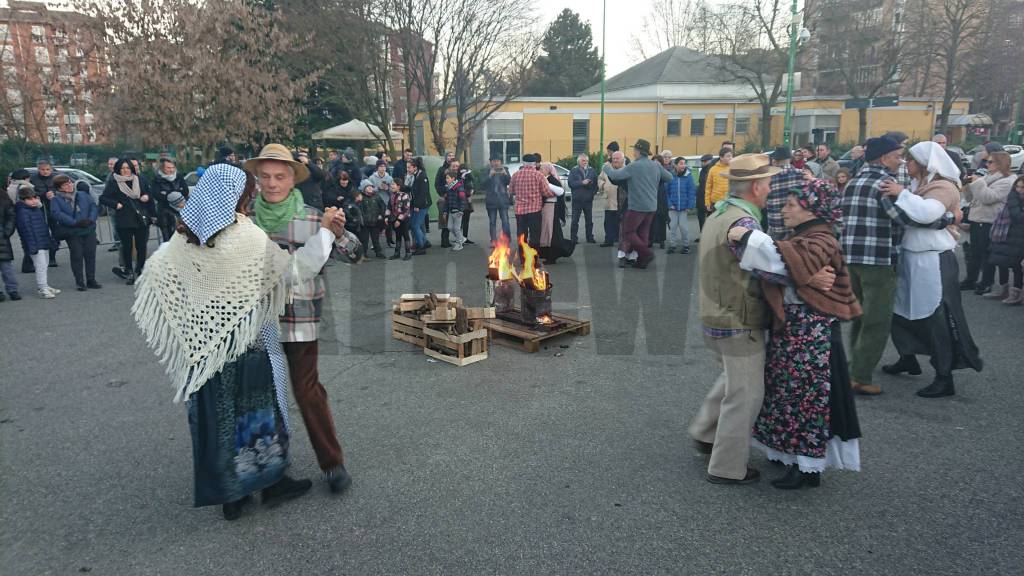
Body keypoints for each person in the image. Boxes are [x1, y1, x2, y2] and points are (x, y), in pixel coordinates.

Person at [132, 164, 344, 521]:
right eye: (250, 191)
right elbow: (292, 272)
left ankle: (231, 494)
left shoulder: (181, 239)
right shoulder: (244, 235)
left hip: (206, 348)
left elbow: (156, 272)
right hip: (249, 345)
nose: (253, 197)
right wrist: (323, 234)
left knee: (220, 416)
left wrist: (198, 321)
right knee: (258, 414)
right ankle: (270, 482)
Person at [733, 179, 862, 489]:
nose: (784, 209)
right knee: (785, 393)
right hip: (794, 328)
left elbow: (783, 257)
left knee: (807, 397)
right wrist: (800, 275)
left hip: (811, 332)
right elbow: (784, 263)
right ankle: (786, 453)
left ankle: (808, 467)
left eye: (792, 205)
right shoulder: (805, 236)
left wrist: (749, 235)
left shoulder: (821, 238)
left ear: (812, 209)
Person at [243, 144, 354, 494]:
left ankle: (332, 462)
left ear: (293, 179)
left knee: (307, 391)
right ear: (257, 180)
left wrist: (339, 230)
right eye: (265, 176)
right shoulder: (244, 221)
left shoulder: (311, 217)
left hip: (300, 319)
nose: (272, 183)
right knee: (262, 395)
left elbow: (354, 253)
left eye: (280, 176)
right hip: (258, 323)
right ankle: (273, 468)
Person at [690, 154, 781, 485]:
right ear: (756, 187)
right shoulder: (744, 223)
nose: (770, 189)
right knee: (746, 394)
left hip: (713, 315)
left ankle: (706, 431)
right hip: (739, 319)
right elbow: (774, 266)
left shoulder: (719, 213)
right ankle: (727, 467)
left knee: (733, 380)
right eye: (768, 183)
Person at [880, 141, 982, 397]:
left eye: (911, 160)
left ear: (926, 164)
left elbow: (926, 214)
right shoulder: (920, 185)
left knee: (937, 317)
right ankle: (908, 357)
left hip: (933, 259)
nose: (907, 163)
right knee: (902, 311)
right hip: (913, 256)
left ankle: (944, 376)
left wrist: (902, 193)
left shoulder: (943, 187)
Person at [838, 136, 906, 396]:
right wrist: (946, 218)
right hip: (877, 259)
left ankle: (853, 366)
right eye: (897, 156)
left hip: (851, 258)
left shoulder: (853, 182)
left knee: (859, 316)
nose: (900, 161)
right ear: (884, 158)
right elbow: (903, 218)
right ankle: (860, 376)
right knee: (877, 320)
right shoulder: (885, 184)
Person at [601, 139, 672, 269]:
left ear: (638, 152)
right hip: (651, 206)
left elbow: (616, 176)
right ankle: (642, 261)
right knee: (642, 233)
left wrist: (606, 167)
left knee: (628, 232)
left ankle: (646, 253)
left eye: (634, 149)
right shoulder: (655, 165)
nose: (633, 152)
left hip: (637, 206)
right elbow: (669, 177)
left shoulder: (634, 166)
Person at [962, 151, 1015, 293]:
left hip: (990, 221)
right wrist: (967, 185)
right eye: (987, 161)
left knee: (987, 254)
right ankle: (971, 280)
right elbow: (970, 198)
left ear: (1000, 164)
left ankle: (986, 282)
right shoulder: (987, 177)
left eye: (991, 162)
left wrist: (977, 182)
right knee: (974, 253)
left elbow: (988, 197)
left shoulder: (1007, 181)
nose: (987, 164)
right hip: (976, 219)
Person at [101, 158, 154, 285]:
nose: (125, 170)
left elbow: (150, 193)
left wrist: (147, 196)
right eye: (122, 168)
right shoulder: (114, 182)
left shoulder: (140, 180)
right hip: (124, 219)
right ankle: (129, 271)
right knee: (127, 247)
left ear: (132, 169)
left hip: (140, 217)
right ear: (118, 169)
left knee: (142, 246)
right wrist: (116, 204)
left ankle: (140, 269)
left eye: (127, 168)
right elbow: (103, 198)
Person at [50, 175, 100, 291]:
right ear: (59, 188)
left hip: (88, 229)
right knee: (77, 256)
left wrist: (91, 219)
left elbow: (93, 206)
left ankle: (91, 279)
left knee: (90, 255)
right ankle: (80, 281)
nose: (70, 185)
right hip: (73, 232)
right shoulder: (56, 200)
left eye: (70, 183)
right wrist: (74, 222)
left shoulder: (82, 194)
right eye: (65, 184)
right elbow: (57, 214)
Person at [985, 176, 1024, 305]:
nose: (1019, 190)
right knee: (1003, 261)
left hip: (1017, 235)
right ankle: (1006, 289)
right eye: (1017, 187)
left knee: (1017, 265)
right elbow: (1017, 216)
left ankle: (1016, 292)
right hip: (1007, 234)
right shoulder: (1013, 197)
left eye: (1022, 187)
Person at [14, 185, 57, 298]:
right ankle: (42, 288)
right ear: (23, 200)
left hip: (42, 241)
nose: (33, 201)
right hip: (35, 244)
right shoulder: (23, 212)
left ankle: (45, 285)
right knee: (41, 266)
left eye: (34, 198)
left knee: (45, 264)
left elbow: (43, 226)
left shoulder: (35, 209)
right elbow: (26, 232)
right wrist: (32, 247)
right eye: (29, 199)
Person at [765, 145, 808, 240]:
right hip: (796, 226)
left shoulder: (769, 178)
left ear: (776, 160)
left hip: (775, 225)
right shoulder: (802, 174)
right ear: (790, 158)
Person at [510, 153, 550, 252]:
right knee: (535, 236)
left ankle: (523, 259)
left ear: (523, 163)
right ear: (534, 164)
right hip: (535, 210)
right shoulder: (539, 175)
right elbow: (546, 192)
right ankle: (533, 261)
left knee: (522, 235)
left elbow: (511, 191)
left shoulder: (516, 175)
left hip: (519, 211)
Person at [538, 162, 572, 265]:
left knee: (551, 232)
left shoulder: (551, 180)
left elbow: (560, 192)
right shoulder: (545, 179)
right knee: (548, 232)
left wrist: (547, 185)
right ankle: (548, 255)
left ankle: (552, 256)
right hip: (546, 208)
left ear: (548, 170)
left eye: (542, 169)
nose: (540, 170)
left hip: (551, 208)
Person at [151, 158, 190, 242]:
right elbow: (156, 194)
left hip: (181, 213)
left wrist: (168, 194)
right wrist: (174, 196)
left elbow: (185, 191)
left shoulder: (179, 177)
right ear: (162, 168)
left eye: (173, 167)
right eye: (168, 168)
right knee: (168, 240)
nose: (171, 170)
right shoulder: (157, 179)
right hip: (165, 213)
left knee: (182, 239)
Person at [29, 160, 58, 268]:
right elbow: (30, 192)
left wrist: (54, 194)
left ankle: (52, 257)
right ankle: (36, 259)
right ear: (38, 169)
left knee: (55, 233)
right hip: (39, 210)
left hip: (54, 209)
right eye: (43, 169)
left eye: (48, 169)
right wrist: (43, 195)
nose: (46, 172)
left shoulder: (56, 177)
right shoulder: (33, 179)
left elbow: (62, 189)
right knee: (40, 233)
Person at [665, 156, 696, 254]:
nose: (683, 165)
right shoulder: (670, 176)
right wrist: (670, 204)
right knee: (672, 227)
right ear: (675, 165)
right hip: (672, 208)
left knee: (684, 228)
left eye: (684, 163)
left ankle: (686, 246)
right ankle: (672, 245)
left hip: (683, 208)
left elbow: (691, 192)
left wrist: (690, 206)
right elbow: (666, 193)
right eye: (681, 163)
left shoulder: (689, 176)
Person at [481, 155, 511, 247]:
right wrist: (489, 176)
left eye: (498, 161)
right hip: (491, 200)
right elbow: (482, 185)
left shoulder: (505, 169)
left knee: (505, 221)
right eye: (494, 161)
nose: (496, 162)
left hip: (503, 200)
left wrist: (505, 175)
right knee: (492, 222)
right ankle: (493, 241)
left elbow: (510, 182)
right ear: (491, 162)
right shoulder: (486, 171)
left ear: (501, 162)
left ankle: (506, 239)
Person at [403, 157, 432, 254]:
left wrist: (417, 205)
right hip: (415, 204)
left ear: (415, 167)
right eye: (407, 168)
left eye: (409, 168)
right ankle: (424, 241)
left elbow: (423, 193)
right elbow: (410, 189)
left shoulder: (421, 176)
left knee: (415, 225)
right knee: (413, 225)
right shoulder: (412, 176)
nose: (407, 170)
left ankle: (421, 246)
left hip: (422, 204)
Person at [568, 154, 598, 244]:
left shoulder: (592, 171)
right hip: (577, 200)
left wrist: (592, 193)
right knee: (575, 220)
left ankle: (590, 237)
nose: (585, 162)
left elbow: (596, 184)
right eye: (583, 161)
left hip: (588, 200)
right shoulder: (574, 170)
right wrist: (582, 182)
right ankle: (573, 239)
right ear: (578, 161)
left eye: (587, 161)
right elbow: (571, 183)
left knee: (589, 220)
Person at [596, 151, 622, 247]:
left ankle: (619, 240)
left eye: (617, 158)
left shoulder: (625, 169)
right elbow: (600, 178)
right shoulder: (606, 168)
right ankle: (608, 240)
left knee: (620, 222)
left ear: (622, 160)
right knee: (608, 222)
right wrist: (603, 185)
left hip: (620, 201)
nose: (615, 160)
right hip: (608, 199)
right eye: (614, 158)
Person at [357, 180, 386, 259]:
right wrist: (361, 218)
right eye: (368, 187)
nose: (370, 188)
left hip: (375, 221)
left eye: (371, 186)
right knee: (364, 239)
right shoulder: (361, 197)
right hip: (365, 222)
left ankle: (378, 252)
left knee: (375, 238)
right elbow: (359, 209)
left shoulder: (377, 196)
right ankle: (364, 253)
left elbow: (383, 206)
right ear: (363, 189)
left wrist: (381, 214)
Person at [434, 151, 456, 248]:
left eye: (452, 155)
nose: (451, 157)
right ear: (445, 157)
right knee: (444, 219)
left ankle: (458, 238)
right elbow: (437, 184)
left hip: (454, 197)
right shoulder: (441, 169)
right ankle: (444, 240)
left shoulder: (455, 168)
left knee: (453, 219)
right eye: (449, 155)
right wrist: (443, 193)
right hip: (445, 197)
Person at [450, 160, 475, 245]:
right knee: (459, 222)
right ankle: (461, 237)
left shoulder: (467, 177)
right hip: (460, 202)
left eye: (458, 166)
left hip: (465, 202)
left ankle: (464, 237)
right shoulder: (456, 177)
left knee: (465, 221)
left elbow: (471, 184)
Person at [0, 187, 18, 300]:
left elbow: (11, 216)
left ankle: (13, 290)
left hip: (2, 236)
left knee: (6, 267)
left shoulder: (4, 199)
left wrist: (7, 231)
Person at [648, 155, 670, 249]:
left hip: (661, 198)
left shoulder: (663, 172)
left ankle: (662, 240)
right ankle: (650, 240)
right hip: (651, 198)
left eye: (658, 162)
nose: (656, 164)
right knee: (651, 221)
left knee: (662, 220)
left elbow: (667, 179)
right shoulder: (648, 172)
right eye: (654, 162)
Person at [443, 170, 468, 251]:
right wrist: (445, 211)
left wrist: (461, 210)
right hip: (451, 211)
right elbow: (446, 201)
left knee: (456, 228)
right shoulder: (448, 188)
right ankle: (461, 238)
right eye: (446, 178)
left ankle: (459, 244)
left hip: (458, 212)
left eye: (448, 178)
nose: (446, 179)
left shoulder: (459, 187)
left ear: (453, 178)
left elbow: (463, 199)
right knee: (450, 227)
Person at [387, 181, 413, 260]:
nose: (391, 186)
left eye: (393, 184)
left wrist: (399, 220)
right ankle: (397, 253)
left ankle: (408, 253)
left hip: (404, 219)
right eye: (391, 184)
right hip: (395, 218)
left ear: (398, 186)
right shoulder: (392, 195)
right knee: (398, 235)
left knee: (405, 235)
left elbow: (406, 210)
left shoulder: (404, 195)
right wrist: (386, 217)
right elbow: (389, 207)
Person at [704, 148, 733, 213]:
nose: (730, 158)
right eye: (728, 156)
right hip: (716, 203)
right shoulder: (713, 169)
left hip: (731, 202)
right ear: (721, 157)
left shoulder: (734, 168)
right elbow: (708, 187)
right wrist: (707, 202)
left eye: (731, 156)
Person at [695, 153, 715, 233]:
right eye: (702, 161)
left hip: (708, 198)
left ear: (709, 161)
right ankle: (703, 235)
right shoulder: (703, 170)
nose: (702, 163)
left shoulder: (711, 170)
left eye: (704, 161)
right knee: (701, 218)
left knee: (709, 219)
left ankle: (707, 236)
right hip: (701, 197)